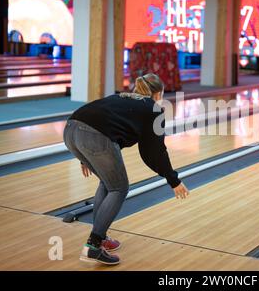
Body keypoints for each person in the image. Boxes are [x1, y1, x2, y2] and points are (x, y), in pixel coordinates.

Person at [63, 73, 189, 265]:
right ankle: (93, 246)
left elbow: (98, 119)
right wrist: (173, 179)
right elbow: (155, 151)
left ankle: (101, 237)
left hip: (70, 129)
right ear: (158, 93)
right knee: (119, 188)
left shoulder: (121, 96)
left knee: (108, 182)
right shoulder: (153, 109)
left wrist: (85, 157)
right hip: (93, 136)